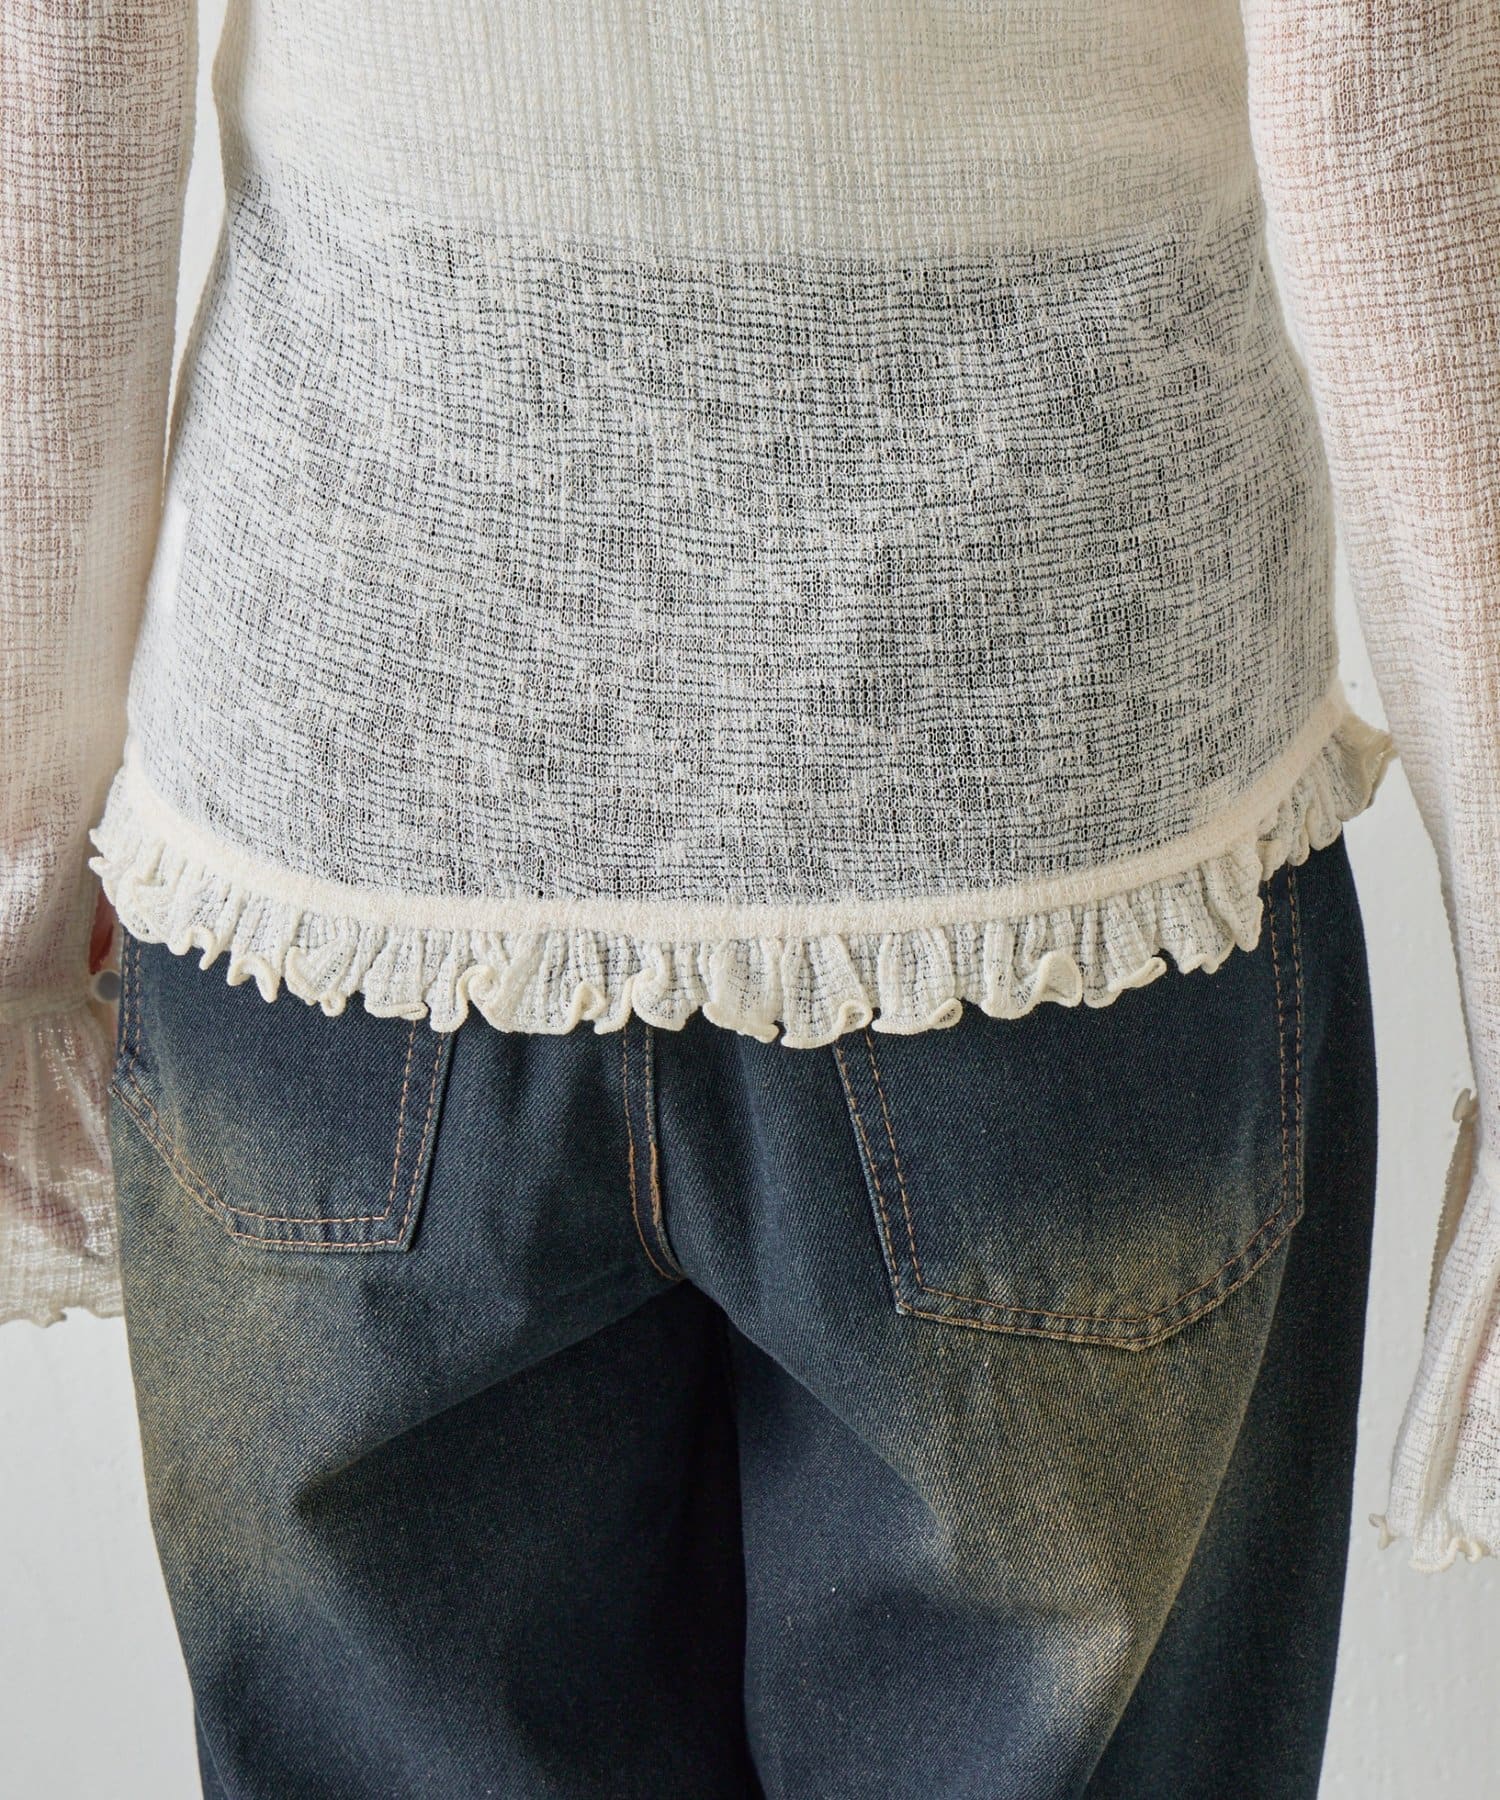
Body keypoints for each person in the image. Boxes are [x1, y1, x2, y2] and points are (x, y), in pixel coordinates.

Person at [2, 1, 1495, 1794]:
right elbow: (1380, 73)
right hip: (1047, 812)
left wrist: (18, 900)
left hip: (363, 815)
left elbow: (56, 67)